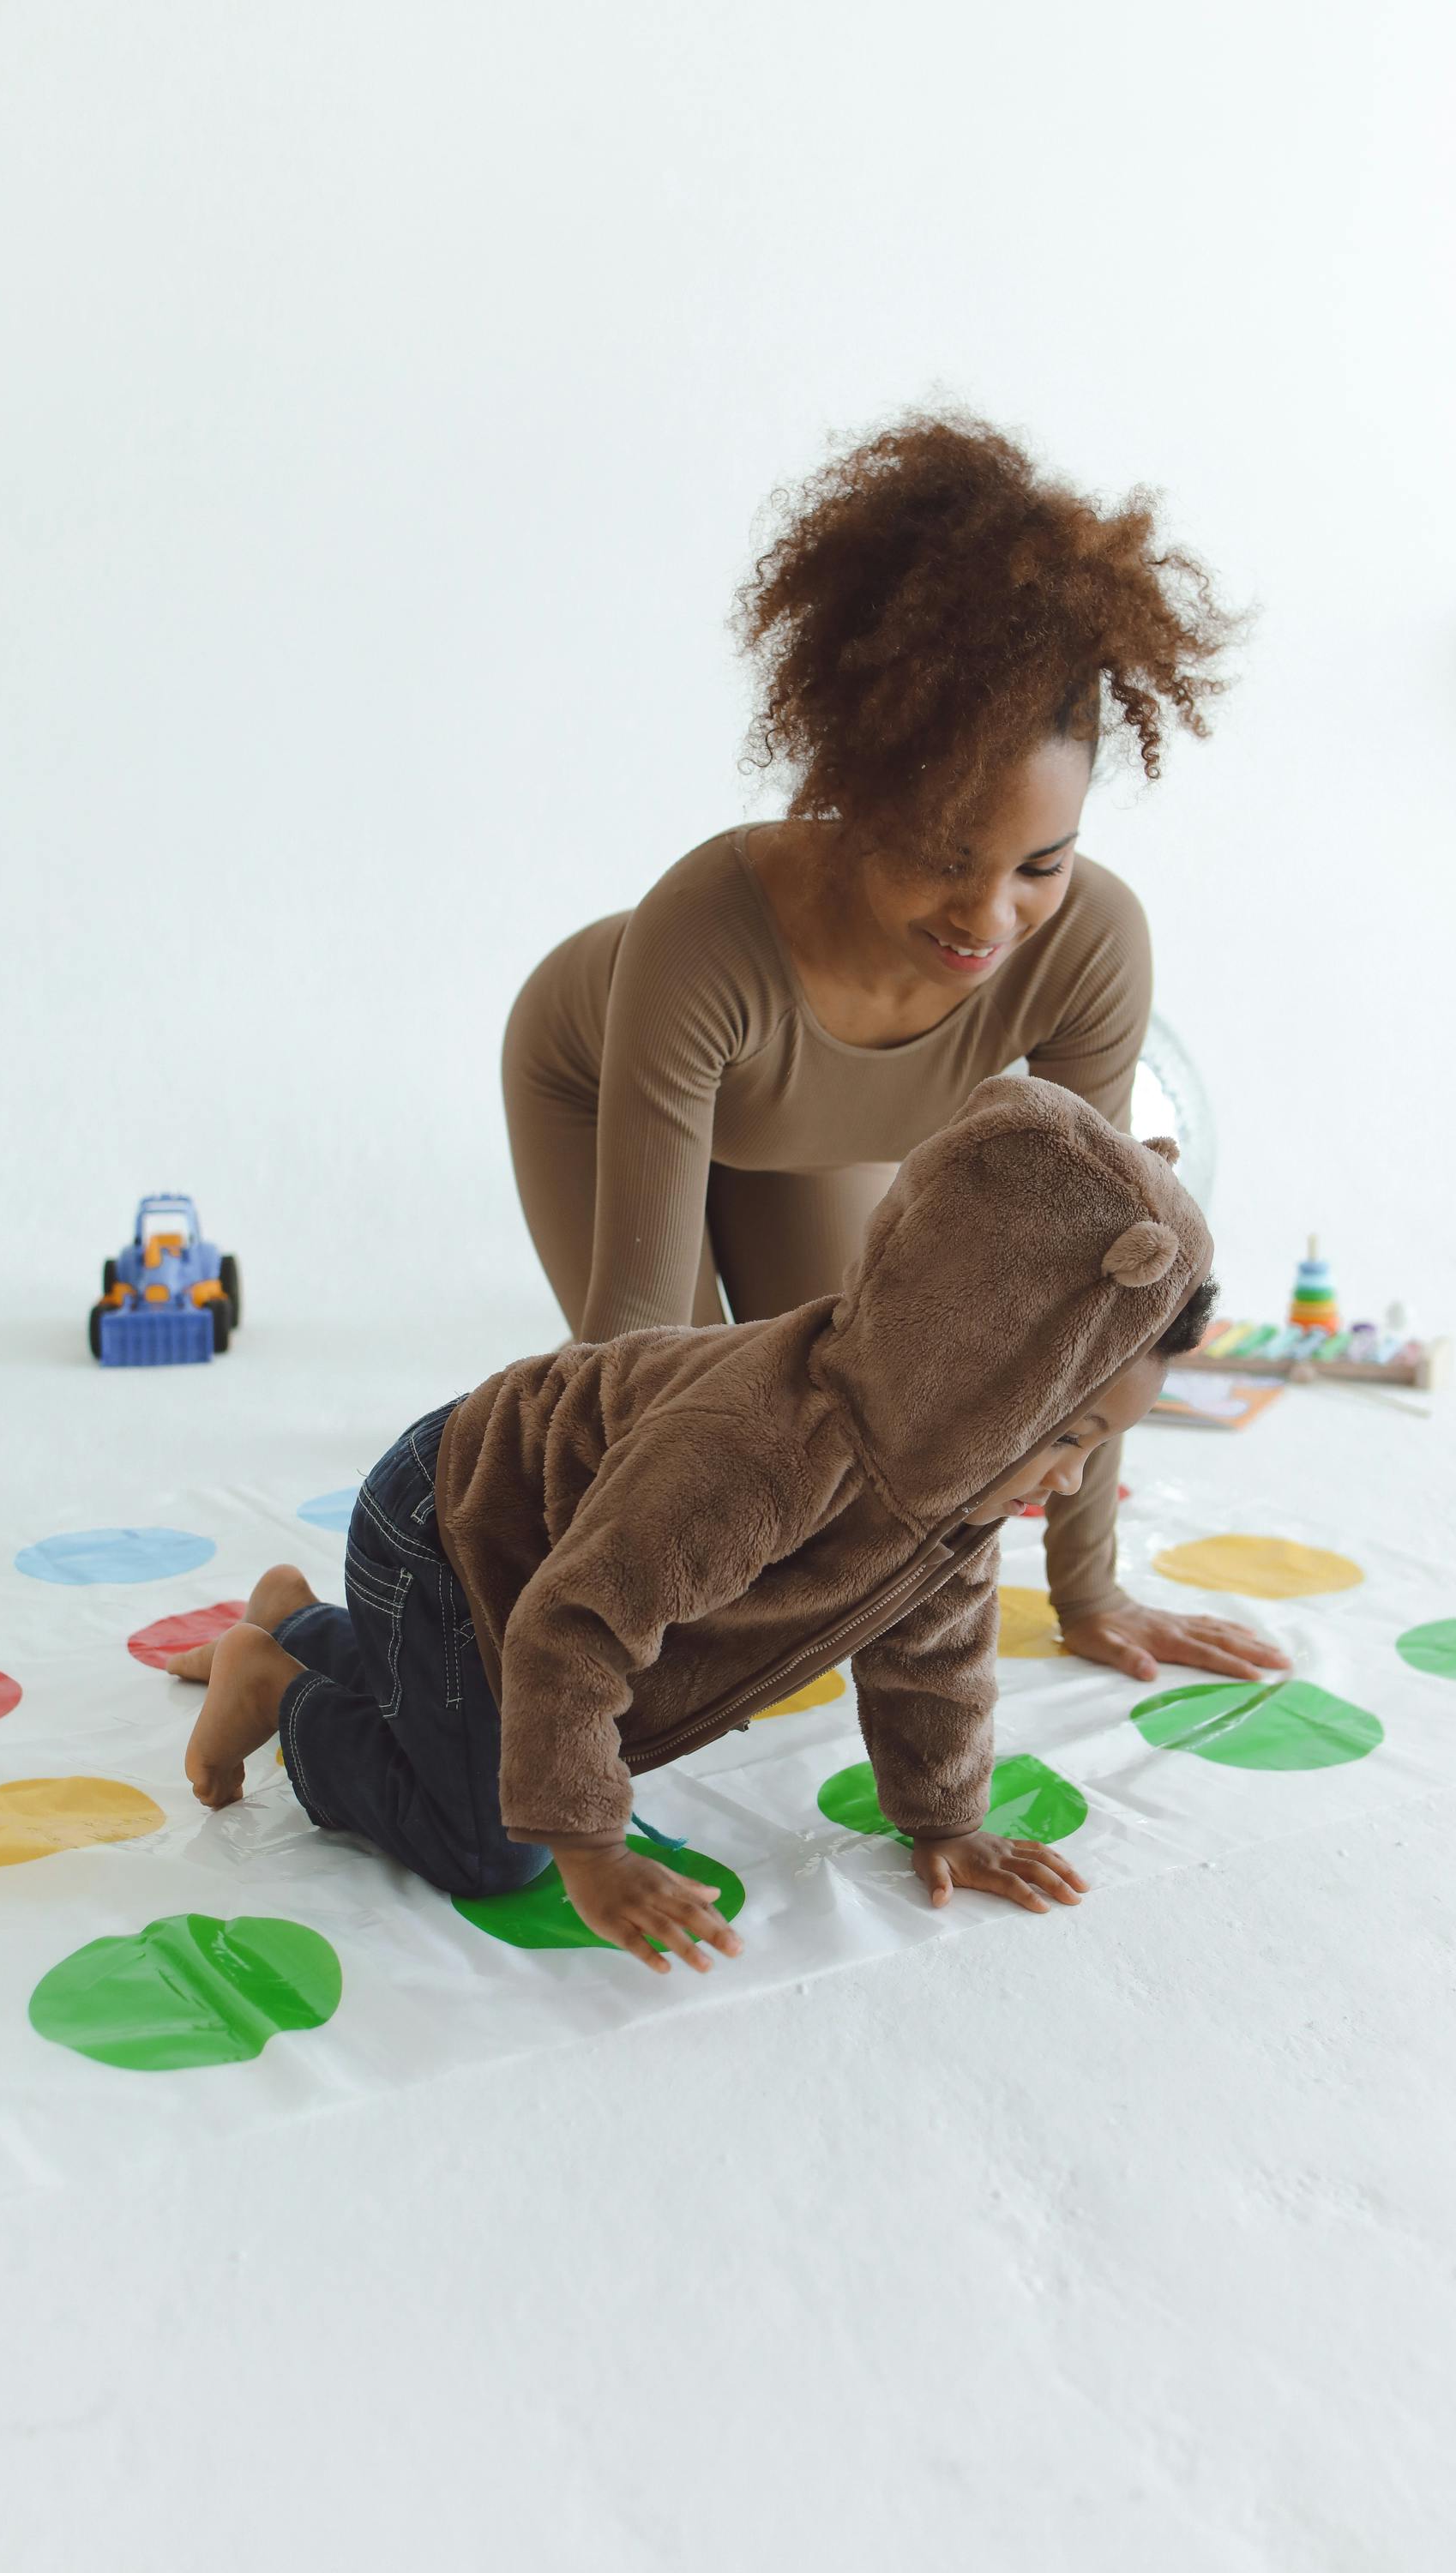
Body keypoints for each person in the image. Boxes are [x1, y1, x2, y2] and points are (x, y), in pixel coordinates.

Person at [502, 407, 1282, 1689]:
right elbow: (624, 1360)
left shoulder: (1089, 948)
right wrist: (559, 1656)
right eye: (939, 855)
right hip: (597, 1086)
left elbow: (1093, 1299)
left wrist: (1089, 1594)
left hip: (801, 1137)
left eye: (1041, 863)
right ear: (854, 792)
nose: (988, 919)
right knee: (705, 1479)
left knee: (864, 1454)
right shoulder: (703, 930)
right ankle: (324, 1630)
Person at [166, 1078, 1255, 1976]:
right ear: (976, 1375)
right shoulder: (760, 1452)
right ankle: (280, 1686)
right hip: (454, 1534)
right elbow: (573, 1626)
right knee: (492, 1847)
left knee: (495, 1722)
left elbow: (933, 1660)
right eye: (1064, 1436)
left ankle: (303, 1626)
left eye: (1092, 1447)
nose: (1067, 1482)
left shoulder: (952, 1483)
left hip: (555, 1556)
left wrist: (945, 1821)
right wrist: (590, 1850)